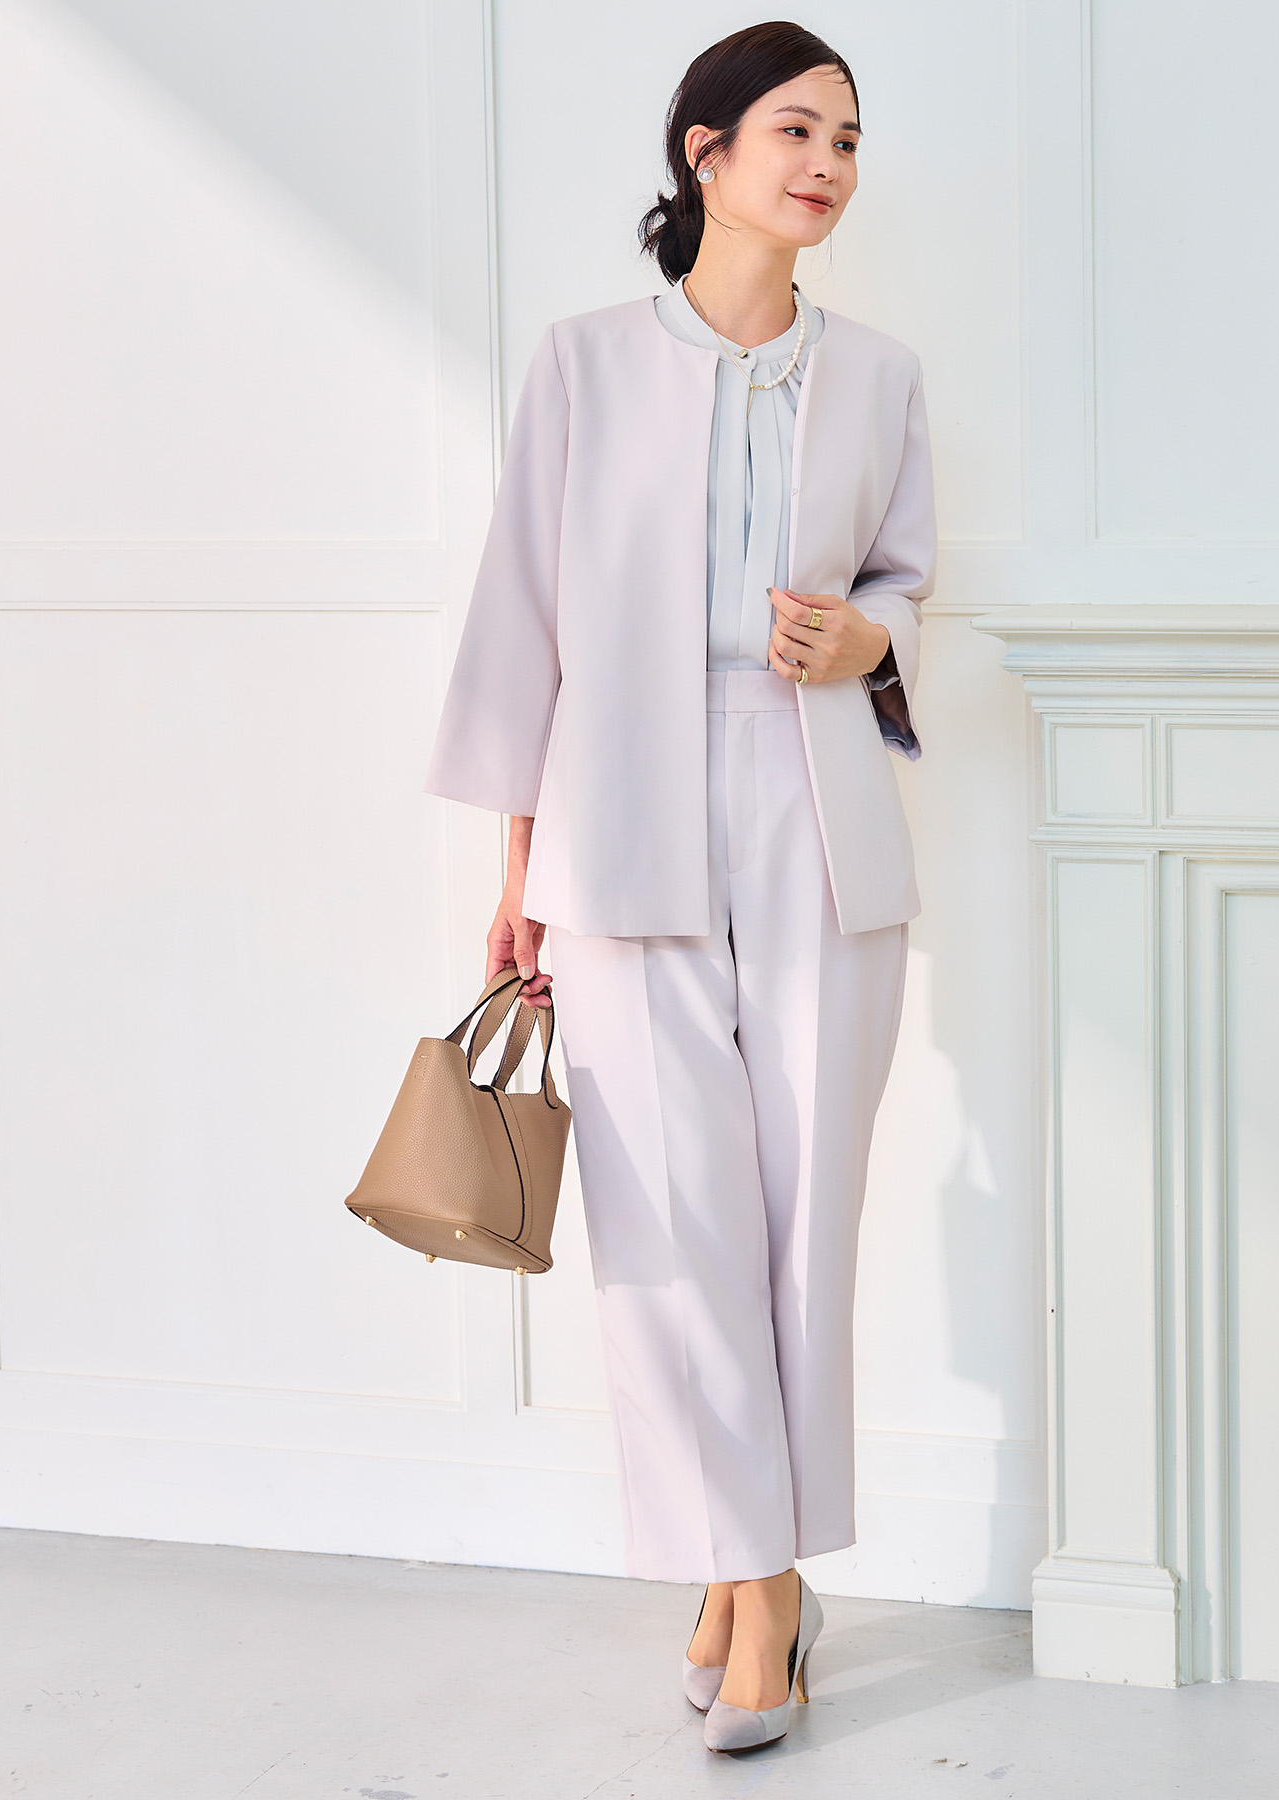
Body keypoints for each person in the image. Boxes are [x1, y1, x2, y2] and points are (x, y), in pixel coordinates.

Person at [424, 19, 936, 1753]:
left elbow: (909, 585)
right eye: (797, 131)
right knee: (669, 1222)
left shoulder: (881, 377)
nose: (828, 166)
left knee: (800, 1214)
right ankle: (758, 1576)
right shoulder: (582, 364)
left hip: (816, 803)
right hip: (617, 807)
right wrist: (517, 873)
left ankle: (750, 1583)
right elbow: (523, 623)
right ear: (703, 151)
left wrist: (869, 639)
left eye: (848, 141)